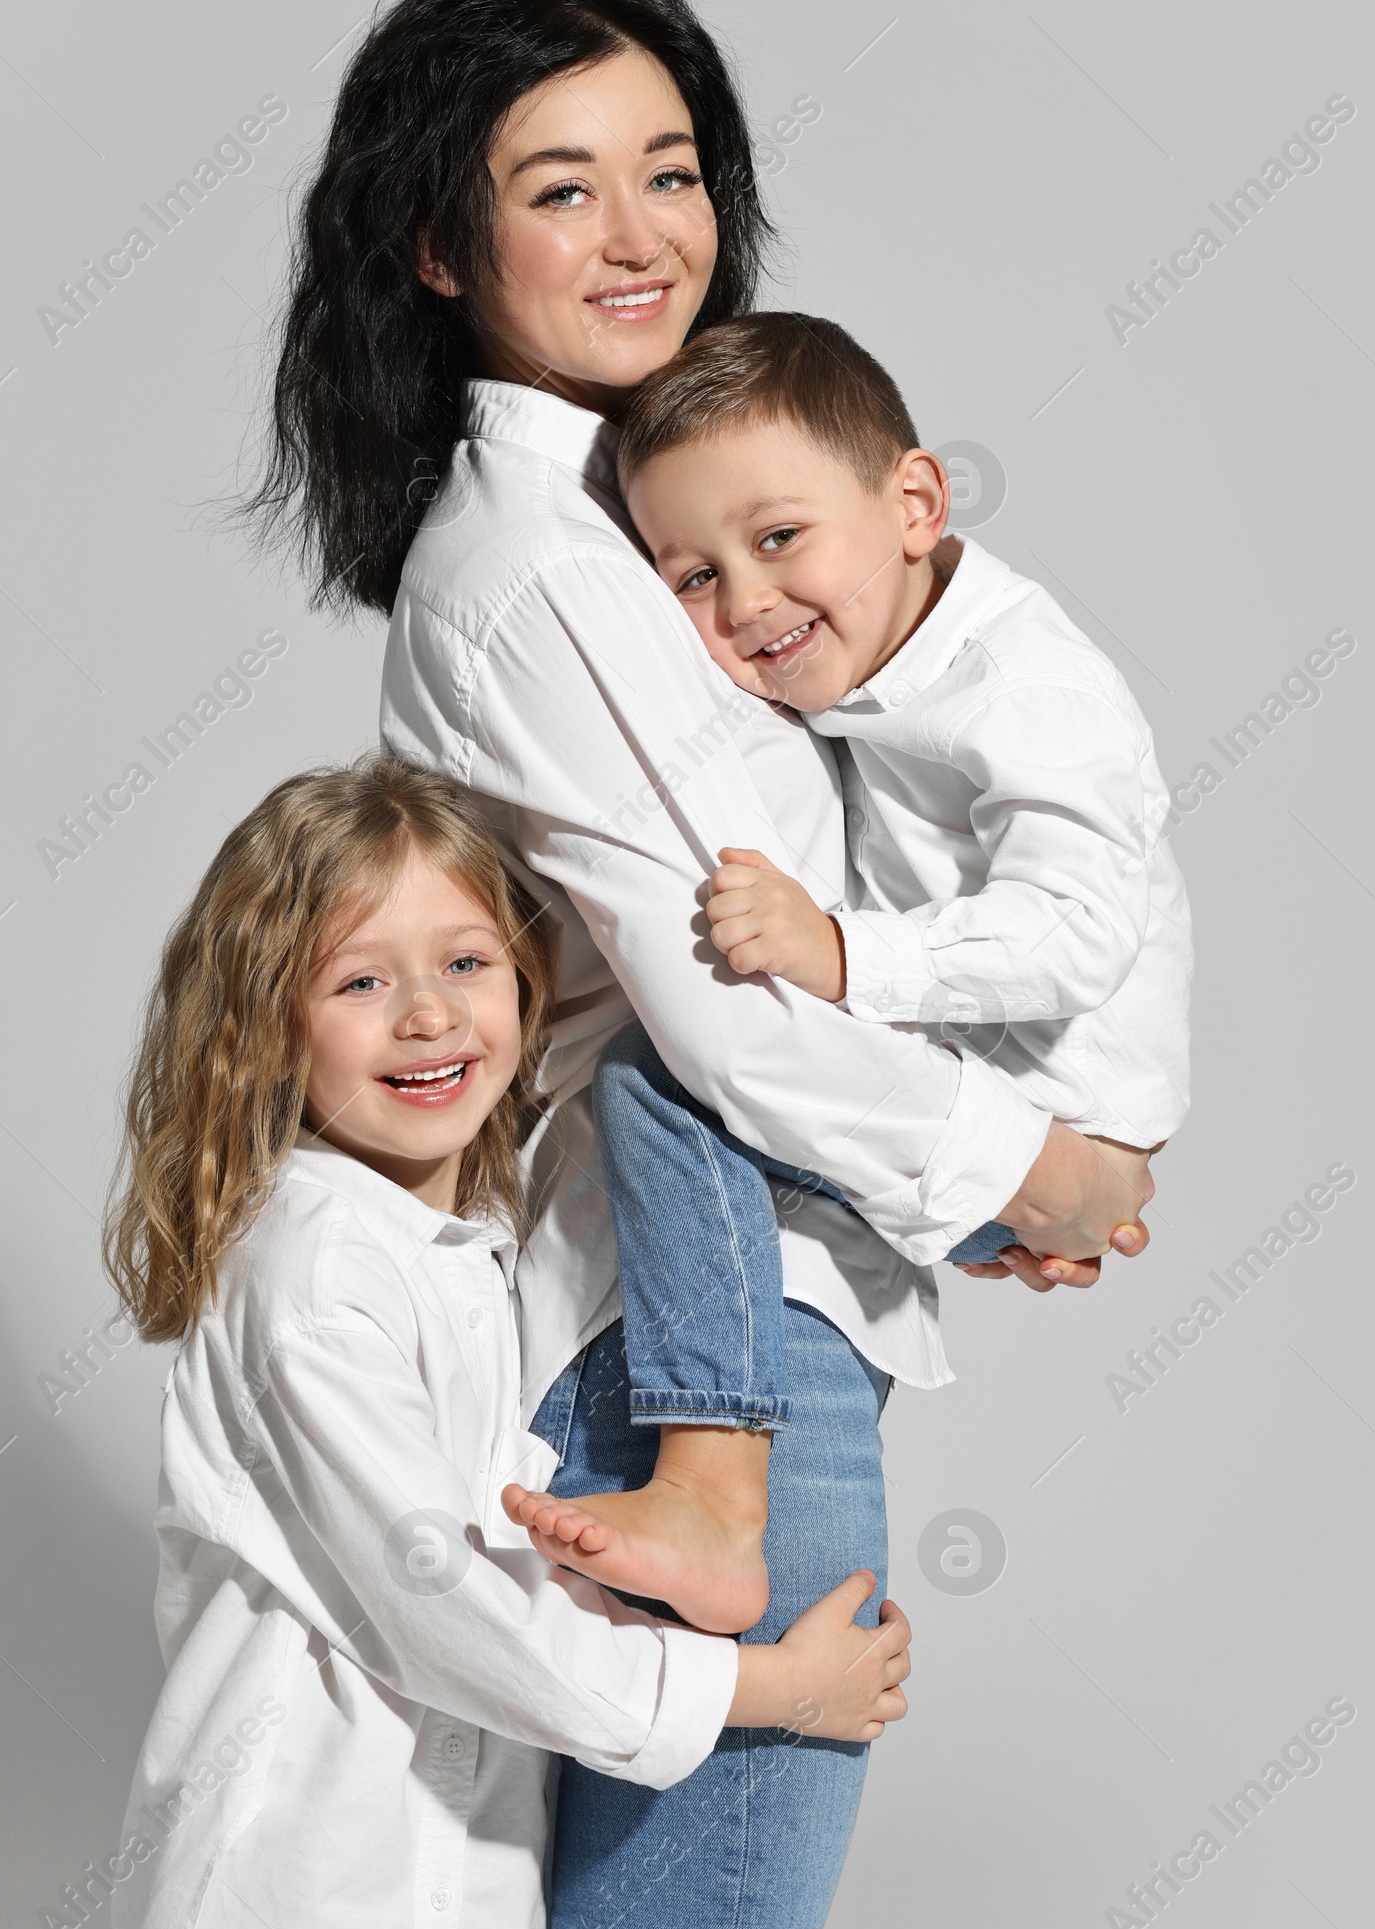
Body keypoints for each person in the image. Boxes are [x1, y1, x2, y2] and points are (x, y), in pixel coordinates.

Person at [251, 0, 1153, 1929]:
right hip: (698, 1357)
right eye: (558, 187)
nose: (642, 231)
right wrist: (1039, 1169)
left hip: (728, 1309)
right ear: (433, 246)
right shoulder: (547, 576)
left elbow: (830, 923)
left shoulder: (655, 521)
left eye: (670, 168)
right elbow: (724, 1022)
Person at [101, 753, 910, 1929]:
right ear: (263, 1033)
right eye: (361, 980)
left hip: (453, 1895)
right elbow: (444, 1606)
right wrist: (770, 1693)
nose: (428, 1014)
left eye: (466, 964)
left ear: (527, 987)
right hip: (296, 1902)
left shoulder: (476, 1243)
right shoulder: (315, 1268)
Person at [505, 312, 1190, 1618]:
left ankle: (710, 1481)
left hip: (1056, 1112)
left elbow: (1079, 929)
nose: (746, 602)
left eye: (777, 540)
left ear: (917, 501)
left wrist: (838, 955)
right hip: (990, 1120)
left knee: (661, 1081)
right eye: (688, 578)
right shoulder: (865, 655)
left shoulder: (1027, 688)